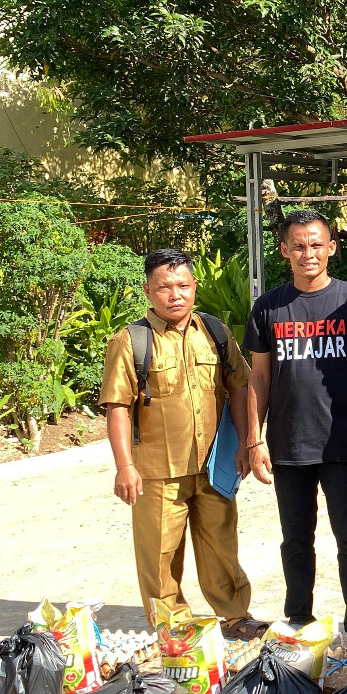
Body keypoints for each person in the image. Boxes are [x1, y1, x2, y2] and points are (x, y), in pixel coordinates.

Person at [100, 249, 267, 639]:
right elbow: (117, 407)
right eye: (164, 287)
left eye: (182, 285)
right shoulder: (131, 341)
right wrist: (124, 466)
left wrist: (246, 443)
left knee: (222, 545)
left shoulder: (214, 332)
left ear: (194, 287)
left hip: (213, 465)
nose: (175, 294)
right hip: (157, 471)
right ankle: (173, 627)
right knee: (160, 554)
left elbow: (240, 387)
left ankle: (235, 617)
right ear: (148, 291)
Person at [244, 209, 347, 640]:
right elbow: (259, 376)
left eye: (317, 244)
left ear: (331, 247)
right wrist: (254, 438)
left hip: (341, 440)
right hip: (288, 441)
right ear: (284, 251)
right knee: (295, 539)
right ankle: (299, 615)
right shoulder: (268, 306)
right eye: (299, 245)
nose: (308, 253)